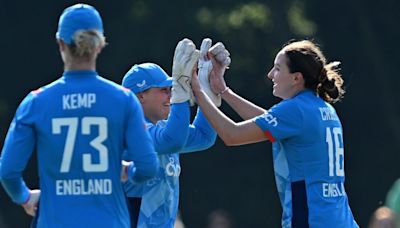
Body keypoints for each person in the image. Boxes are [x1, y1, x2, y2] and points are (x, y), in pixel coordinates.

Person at [0, 3, 159, 227]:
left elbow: (8, 172)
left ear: (61, 43)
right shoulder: (123, 100)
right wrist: (127, 170)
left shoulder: (36, 102)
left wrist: (24, 197)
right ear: (100, 45)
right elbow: (148, 167)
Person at [192, 39, 359, 227]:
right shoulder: (321, 107)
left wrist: (198, 88)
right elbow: (269, 123)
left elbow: (232, 135)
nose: (271, 75)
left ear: (297, 78)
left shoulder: (295, 110)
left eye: (278, 69)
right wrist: (223, 90)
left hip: (312, 221)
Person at [120, 38, 224, 228]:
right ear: (140, 95)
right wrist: (181, 95)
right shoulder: (130, 131)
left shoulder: (163, 128)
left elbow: (204, 136)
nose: (170, 95)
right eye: (163, 90)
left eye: (172, 89)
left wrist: (207, 91)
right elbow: (172, 140)